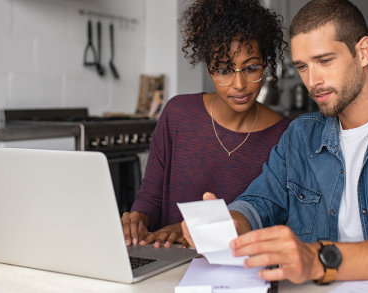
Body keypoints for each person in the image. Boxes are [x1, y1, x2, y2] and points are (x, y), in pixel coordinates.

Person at [183, 0, 368, 285]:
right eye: (302, 66)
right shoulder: (300, 135)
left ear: (363, 52)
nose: (312, 80)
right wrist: (230, 223)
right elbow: (260, 202)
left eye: (324, 61)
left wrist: (320, 259)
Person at [121, 0, 290, 249]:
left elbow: (272, 219)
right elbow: (151, 197)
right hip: (166, 259)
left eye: (251, 68)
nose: (239, 84)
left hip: (236, 271)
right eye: (223, 70)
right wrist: (139, 219)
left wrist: (188, 230)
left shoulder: (284, 135)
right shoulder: (177, 114)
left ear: (266, 63)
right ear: (209, 70)